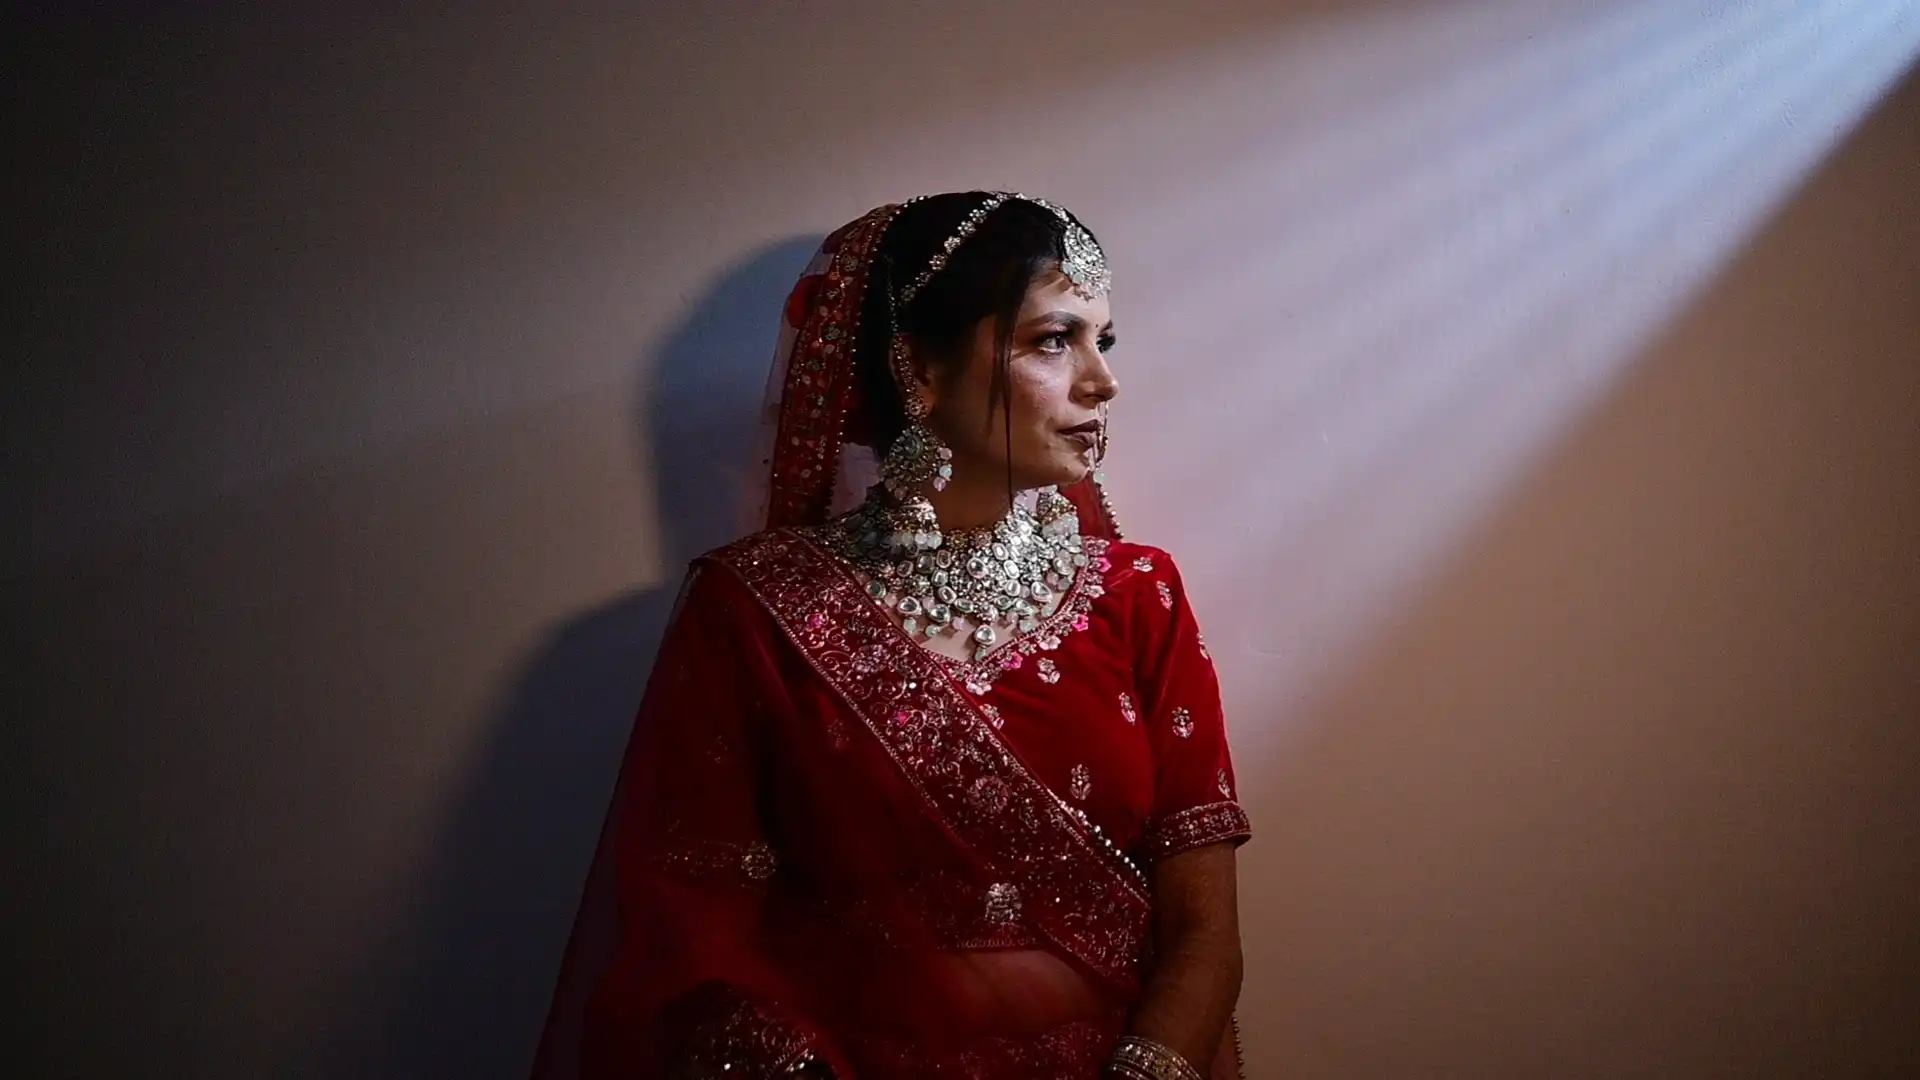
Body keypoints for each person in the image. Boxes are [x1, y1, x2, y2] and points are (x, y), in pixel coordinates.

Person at [532, 192, 1251, 1080]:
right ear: (918, 368)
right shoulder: (759, 608)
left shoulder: (1138, 596)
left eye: (1103, 342)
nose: (1102, 382)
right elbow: (693, 928)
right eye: (1052, 341)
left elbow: (1205, 929)